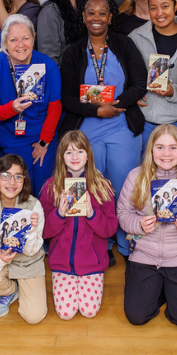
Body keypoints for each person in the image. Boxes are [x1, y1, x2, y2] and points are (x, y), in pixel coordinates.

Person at [59, 0, 146, 220]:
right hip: (86, 131)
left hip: (122, 126)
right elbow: (67, 98)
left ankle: (125, 241)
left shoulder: (124, 44)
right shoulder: (73, 52)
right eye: (91, 13)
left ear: (110, 16)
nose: (96, 18)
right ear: (83, 16)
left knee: (124, 187)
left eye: (102, 13)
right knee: (92, 188)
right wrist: (97, 110)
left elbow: (139, 84)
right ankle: (99, 243)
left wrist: (116, 106)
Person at [118, 125, 177, 329]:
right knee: (136, 316)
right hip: (145, 254)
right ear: (151, 150)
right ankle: (163, 289)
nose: (166, 154)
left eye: (172, 147)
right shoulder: (136, 177)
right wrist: (138, 224)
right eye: (160, 147)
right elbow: (123, 214)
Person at [39, 130, 117, 320]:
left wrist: (92, 214)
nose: (75, 157)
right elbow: (43, 231)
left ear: (88, 155)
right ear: (61, 157)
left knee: (89, 311)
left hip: (92, 262)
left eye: (80, 151)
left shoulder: (101, 186)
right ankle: (68, 279)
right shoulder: (52, 186)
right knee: (66, 313)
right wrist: (59, 214)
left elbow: (110, 229)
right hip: (61, 262)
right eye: (69, 152)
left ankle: (87, 279)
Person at [0, 14, 62, 196]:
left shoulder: (48, 66)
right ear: (5, 44)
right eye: (13, 40)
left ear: (33, 39)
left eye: (26, 38)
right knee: (17, 191)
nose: (21, 45)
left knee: (44, 190)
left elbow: (55, 108)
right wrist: (12, 108)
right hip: (11, 138)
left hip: (43, 135)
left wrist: (44, 142)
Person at [0, 155, 47, 324]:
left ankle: (24, 286)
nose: (12, 182)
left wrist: (31, 229)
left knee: (34, 317)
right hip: (2, 263)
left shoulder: (33, 206)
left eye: (18, 176)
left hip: (28, 262)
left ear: (24, 180)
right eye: (6, 175)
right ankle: (10, 291)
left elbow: (33, 249)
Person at [128, 0, 177, 150]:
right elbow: (124, 75)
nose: (159, 13)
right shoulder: (135, 37)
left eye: (165, 6)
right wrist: (131, 95)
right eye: (153, 8)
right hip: (145, 122)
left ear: (175, 7)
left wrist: (173, 92)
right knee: (145, 172)